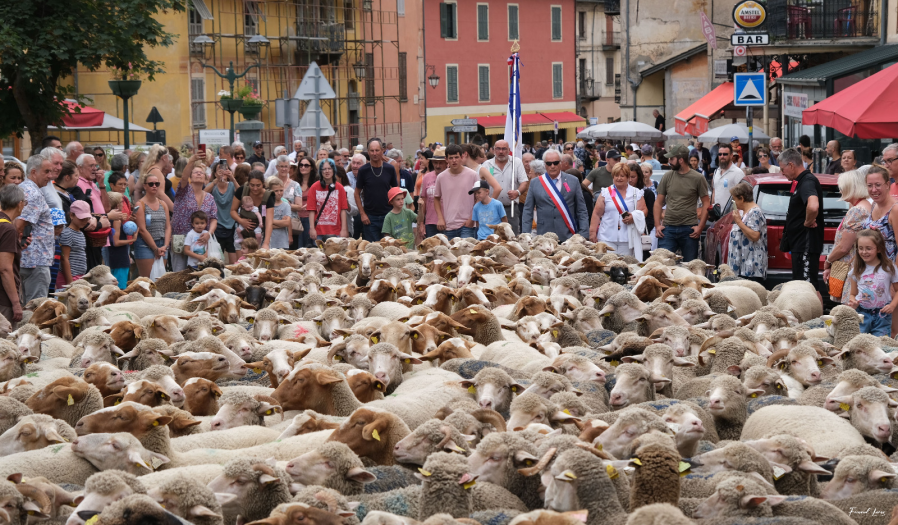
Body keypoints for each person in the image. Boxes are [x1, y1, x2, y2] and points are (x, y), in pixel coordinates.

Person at [653, 144, 710, 262]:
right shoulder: (667, 176)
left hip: (689, 229)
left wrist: (700, 227)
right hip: (668, 229)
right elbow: (658, 202)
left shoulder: (698, 178)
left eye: (671, 159)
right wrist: (657, 225)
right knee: (662, 265)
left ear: (681, 160)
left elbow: (706, 203)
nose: (669, 162)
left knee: (689, 267)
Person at [779, 148, 824, 289]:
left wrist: (808, 221)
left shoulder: (807, 181)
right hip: (800, 244)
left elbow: (813, 206)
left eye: (782, 168)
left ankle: (814, 312)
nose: (782, 172)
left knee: (807, 288)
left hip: (806, 244)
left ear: (791, 165)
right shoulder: (801, 181)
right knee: (803, 286)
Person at [824, 170, 871, 304]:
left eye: (842, 186)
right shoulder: (865, 206)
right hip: (856, 268)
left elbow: (844, 247)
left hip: (852, 270)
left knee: (849, 311)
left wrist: (828, 260)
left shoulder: (857, 211)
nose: (840, 189)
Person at [522, 150, 589, 242]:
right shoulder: (535, 183)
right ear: (545, 165)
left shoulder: (573, 181)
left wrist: (584, 234)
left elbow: (581, 210)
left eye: (556, 163)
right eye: (549, 163)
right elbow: (527, 210)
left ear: (561, 163)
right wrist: (526, 234)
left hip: (568, 235)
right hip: (544, 236)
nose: (552, 166)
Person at [18, 155, 56, 304]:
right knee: (37, 311)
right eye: (46, 172)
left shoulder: (23, 188)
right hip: (34, 262)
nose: (50, 176)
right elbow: (20, 225)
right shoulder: (32, 194)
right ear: (34, 172)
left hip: (27, 260)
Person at [589, 162, 647, 258]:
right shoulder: (605, 192)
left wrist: (633, 217)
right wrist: (592, 232)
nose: (619, 178)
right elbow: (596, 213)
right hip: (606, 236)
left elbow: (644, 211)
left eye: (622, 176)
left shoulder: (636, 193)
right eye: (616, 175)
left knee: (626, 266)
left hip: (628, 238)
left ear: (628, 177)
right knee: (607, 264)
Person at [848, 229, 898, 337]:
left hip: (883, 315)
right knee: (860, 344)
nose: (864, 252)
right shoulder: (856, 270)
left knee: (882, 345)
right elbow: (853, 293)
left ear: (879, 249)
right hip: (861, 314)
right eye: (860, 248)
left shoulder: (889, 267)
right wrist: (853, 302)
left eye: (868, 248)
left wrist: (892, 306)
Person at [171, 154, 215, 271]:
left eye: (201, 172)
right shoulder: (184, 191)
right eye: (195, 172)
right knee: (179, 273)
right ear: (191, 176)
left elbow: (214, 218)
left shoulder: (209, 198)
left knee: (198, 272)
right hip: (181, 237)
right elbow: (184, 178)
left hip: (200, 240)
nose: (199, 173)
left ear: (206, 178)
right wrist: (192, 161)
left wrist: (209, 233)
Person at [481, 140, 529, 235]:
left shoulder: (516, 162)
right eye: (498, 149)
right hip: (492, 209)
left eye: (504, 149)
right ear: (494, 150)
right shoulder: (487, 165)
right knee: (492, 237)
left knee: (512, 237)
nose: (501, 151)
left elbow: (524, 182)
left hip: (510, 208)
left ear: (509, 150)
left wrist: (517, 192)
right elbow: (481, 186)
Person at [355, 139, 398, 242]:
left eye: (377, 150)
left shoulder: (389, 169)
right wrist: (362, 214)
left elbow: (396, 191)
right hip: (370, 218)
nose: (374, 153)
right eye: (372, 150)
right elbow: (356, 193)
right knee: (373, 248)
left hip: (388, 215)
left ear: (382, 150)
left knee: (389, 248)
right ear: (368, 152)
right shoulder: (363, 170)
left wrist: (396, 212)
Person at [433, 145, 479, 239]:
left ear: (462, 157)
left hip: (467, 225)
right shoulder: (441, 177)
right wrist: (440, 218)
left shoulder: (473, 175)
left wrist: (471, 218)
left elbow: (478, 199)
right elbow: (436, 198)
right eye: (451, 158)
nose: (454, 160)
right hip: (448, 225)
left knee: (466, 252)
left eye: (456, 157)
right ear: (446, 159)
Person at [726, 181, 768, 283]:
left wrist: (739, 222)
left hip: (750, 270)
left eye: (735, 200)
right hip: (740, 268)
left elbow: (755, 235)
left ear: (742, 198)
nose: (734, 203)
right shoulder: (743, 212)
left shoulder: (755, 212)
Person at [134, 168, 171, 278]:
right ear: (145, 186)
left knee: (160, 279)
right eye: (151, 184)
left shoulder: (163, 204)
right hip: (145, 245)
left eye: (157, 183)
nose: (154, 186)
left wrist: (165, 245)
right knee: (147, 280)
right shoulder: (140, 204)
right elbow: (142, 229)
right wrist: (155, 248)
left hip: (162, 244)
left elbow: (168, 226)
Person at [0, 184, 25, 324]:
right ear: (19, 204)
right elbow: (4, 269)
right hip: (3, 298)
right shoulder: (8, 229)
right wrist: (16, 303)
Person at [307, 158, 349, 242]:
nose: (327, 171)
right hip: (319, 231)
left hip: (336, 231)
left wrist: (344, 229)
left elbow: (343, 210)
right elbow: (311, 210)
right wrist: (312, 228)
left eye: (329, 168)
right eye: (324, 169)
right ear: (320, 172)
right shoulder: (314, 187)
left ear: (334, 170)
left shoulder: (340, 188)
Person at [231, 170, 275, 250]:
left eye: (258, 185)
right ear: (248, 183)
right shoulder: (241, 191)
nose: (255, 188)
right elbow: (232, 211)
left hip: (260, 233)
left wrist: (266, 243)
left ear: (263, 183)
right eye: (252, 185)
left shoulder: (268, 196)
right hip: (242, 231)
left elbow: (269, 222)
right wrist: (241, 220)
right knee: (241, 260)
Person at [107, 191, 136, 289]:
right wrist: (133, 239)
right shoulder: (116, 220)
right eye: (121, 202)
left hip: (115, 257)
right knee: (120, 287)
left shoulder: (112, 218)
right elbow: (116, 242)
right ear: (116, 205)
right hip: (120, 258)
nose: (122, 204)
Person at [417, 148, 448, 239]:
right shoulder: (427, 177)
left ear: (446, 163)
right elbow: (424, 201)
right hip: (430, 222)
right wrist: (421, 223)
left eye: (440, 163)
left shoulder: (451, 177)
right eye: (435, 163)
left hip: (448, 222)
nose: (437, 165)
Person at [58, 200, 91, 287]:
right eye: (81, 218)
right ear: (71, 215)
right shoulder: (67, 233)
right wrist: (70, 282)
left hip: (79, 275)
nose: (85, 221)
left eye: (87, 218)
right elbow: (64, 258)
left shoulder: (80, 233)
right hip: (70, 277)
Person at [292, 156, 318, 248]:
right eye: (301, 165)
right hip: (296, 218)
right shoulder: (294, 183)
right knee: (298, 248)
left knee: (310, 247)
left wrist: (310, 204)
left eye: (306, 165)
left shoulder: (316, 183)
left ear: (311, 167)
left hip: (310, 218)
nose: (303, 167)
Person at [711, 144, 744, 211]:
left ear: (731, 155)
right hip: (717, 215)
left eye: (725, 154)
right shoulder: (716, 171)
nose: (722, 156)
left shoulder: (738, 172)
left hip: (730, 215)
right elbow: (714, 190)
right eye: (720, 154)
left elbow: (742, 196)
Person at [631, 163, 654, 253]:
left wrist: (642, 230)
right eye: (628, 176)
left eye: (633, 177)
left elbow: (650, 217)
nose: (630, 180)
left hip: (640, 232)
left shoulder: (647, 193)